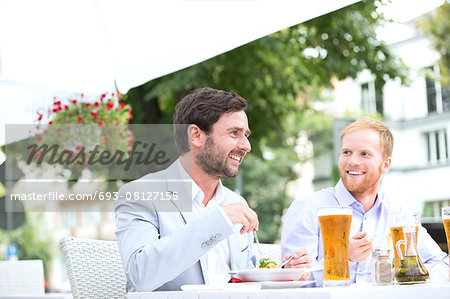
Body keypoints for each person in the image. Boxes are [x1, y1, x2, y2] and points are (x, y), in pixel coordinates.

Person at [115, 87, 311, 292]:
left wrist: (283, 275)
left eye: (246, 135)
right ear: (196, 135)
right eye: (234, 133)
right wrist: (218, 221)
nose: (246, 146)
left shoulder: (236, 203)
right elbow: (141, 274)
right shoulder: (141, 194)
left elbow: (247, 285)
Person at [281, 118, 448, 286]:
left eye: (364, 154)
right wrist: (343, 257)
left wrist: (402, 277)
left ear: (385, 165)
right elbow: (295, 280)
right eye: (346, 152)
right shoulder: (307, 208)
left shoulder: (399, 214)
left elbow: (441, 265)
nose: (352, 161)